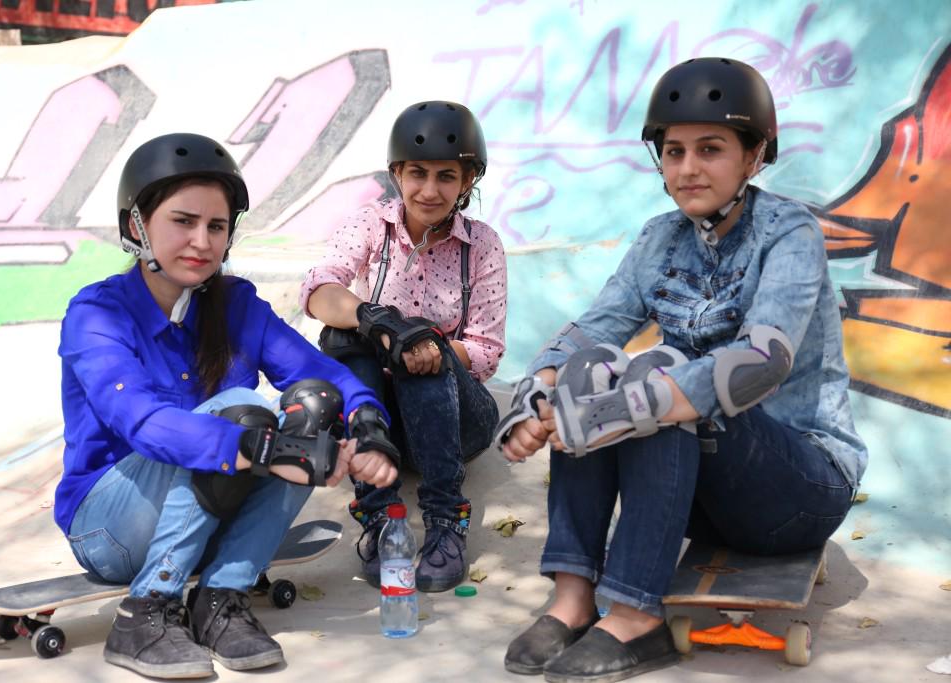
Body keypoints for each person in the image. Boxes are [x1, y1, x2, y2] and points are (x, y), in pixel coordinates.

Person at [497, 58, 868, 682]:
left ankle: (636, 618)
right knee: (592, 371)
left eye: (711, 149)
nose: (688, 168)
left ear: (754, 156)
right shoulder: (659, 238)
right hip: (696, 488)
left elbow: (762, 361)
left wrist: (626, 406)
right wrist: (536, 395)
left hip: (798, 488)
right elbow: (592, 330)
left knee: (657, 385)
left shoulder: (790, 232)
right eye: (674, 151)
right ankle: (573, 598)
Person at [55, 133, 400, 679]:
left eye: (216, 226)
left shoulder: (236, 303)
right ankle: (145, 613)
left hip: (210, 515)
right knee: (242, 409)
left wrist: (367, 425)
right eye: (183, 221)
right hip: (111, 528)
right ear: (136, 227)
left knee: (314, 408)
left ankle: (220, 601)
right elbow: (143, 422)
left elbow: (323, 375)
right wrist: (264, 447)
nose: (202, 241)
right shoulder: (97, 314)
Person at [299, 101, 507, 592]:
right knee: (346, 335)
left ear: (468, 180)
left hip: (457, 417)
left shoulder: (482, 245)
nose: (429, 190)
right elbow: (319, 288)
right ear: (396, 173)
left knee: (419, 350)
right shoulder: (371, 225)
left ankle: (446, 519)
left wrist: (426, 347)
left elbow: (486, 352)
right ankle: (379, 517)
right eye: (417, 173)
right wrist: (378, 325)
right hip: (382, 424)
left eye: (446, 176)